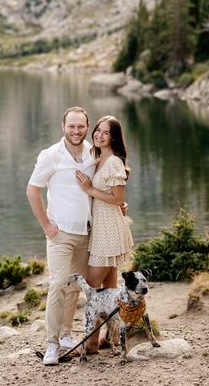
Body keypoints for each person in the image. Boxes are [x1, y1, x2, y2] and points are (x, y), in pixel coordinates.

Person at [26, 106, 96, 366]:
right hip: (61, 234)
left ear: (87, 127)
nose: (76, 131)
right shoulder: (51, 155)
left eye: (80, 126)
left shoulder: (93, 153)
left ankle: (67, 335)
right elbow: (32, 191)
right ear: (63, 126)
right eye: (71, 126)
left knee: (75, 286)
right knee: (57, 285)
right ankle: (52, 344)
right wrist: (46, 225)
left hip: (87, 233)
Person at [76, 114, 134, 289]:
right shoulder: (99, 158)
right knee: (109, 288)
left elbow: (119, 199)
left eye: (106, 133)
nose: (99, 135)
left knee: (92, 283)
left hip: (109, 230)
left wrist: (90, 190)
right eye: (98, 130)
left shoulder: (114, 162)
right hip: (101, 228)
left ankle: (106, 317)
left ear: (113, 137)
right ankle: (114, 317)